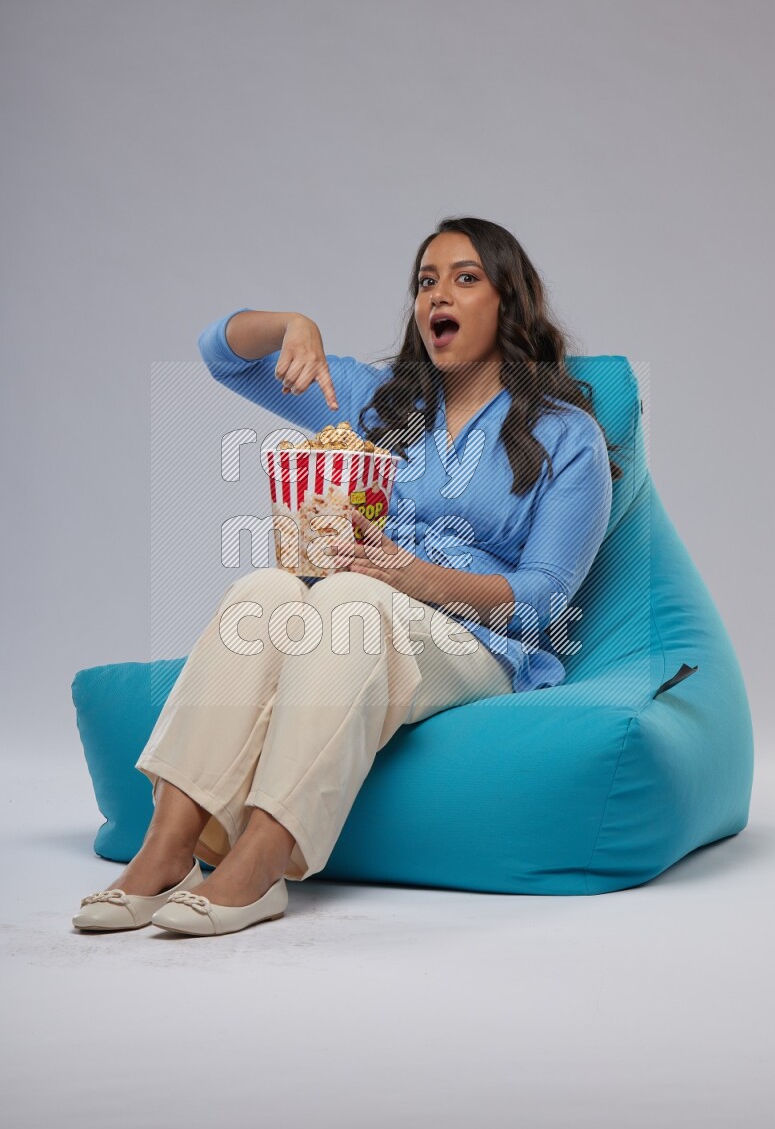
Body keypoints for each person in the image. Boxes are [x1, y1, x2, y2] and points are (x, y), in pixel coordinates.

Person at [72, 216, 621, 937]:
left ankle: (262, 861)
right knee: (265, 590)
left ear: (507, 301)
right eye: (425, 282)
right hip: (356, 611)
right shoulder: (379, 400)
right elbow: (223, 356)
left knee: (348, 597)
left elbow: (545, 598)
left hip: (482, 643)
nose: (437, 296)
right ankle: (167, 848)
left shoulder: (567, 435)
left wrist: (416, 577)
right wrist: (289, 325)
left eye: (464, 279)